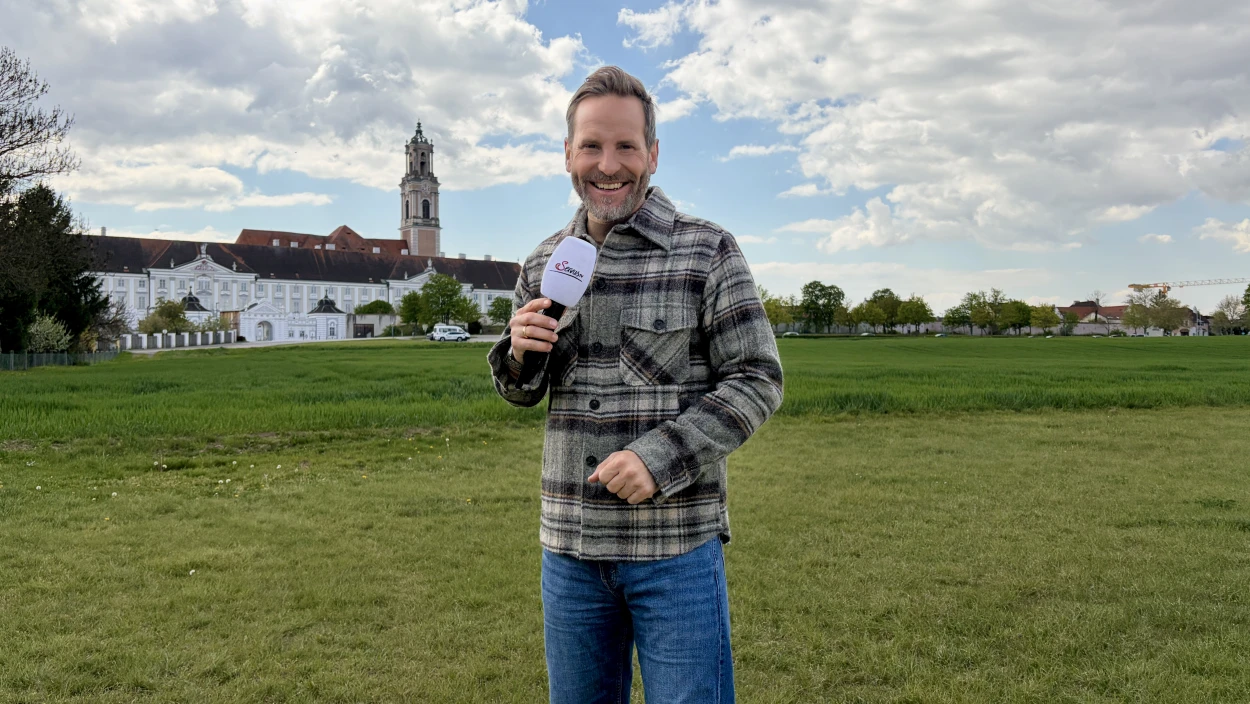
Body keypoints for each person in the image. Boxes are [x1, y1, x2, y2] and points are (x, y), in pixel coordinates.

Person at [487, 65, 784, 703]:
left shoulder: (707, 250)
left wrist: (658, 459)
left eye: (626, 146)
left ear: (652, 153)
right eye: (591, 145)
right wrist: (519, 353)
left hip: (674, 546)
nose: (608, 164)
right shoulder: (544, 263)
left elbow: (757, 378)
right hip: (568, 548)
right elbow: (521, 392)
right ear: (568, 153)